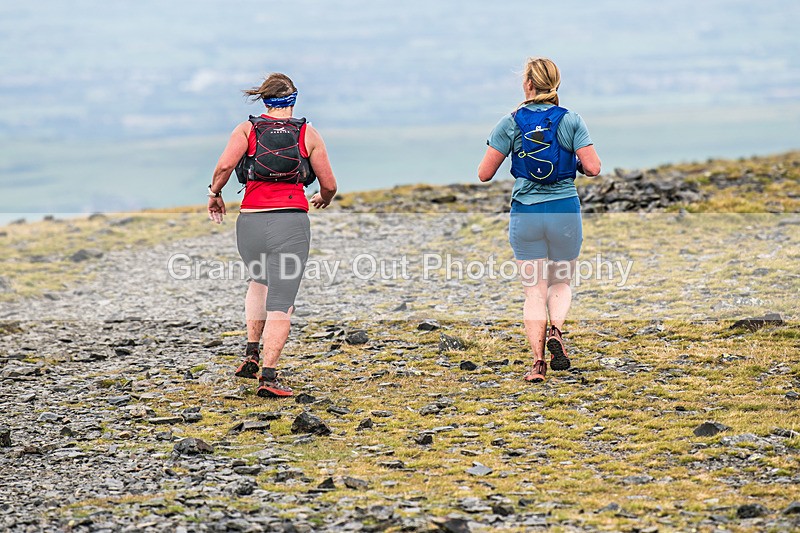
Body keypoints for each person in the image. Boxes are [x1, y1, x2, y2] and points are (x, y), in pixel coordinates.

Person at [207, 72, 337, 397]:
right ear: (293, 101)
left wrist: (215, 194)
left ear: (265, 101)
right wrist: (323, 198)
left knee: (258, 282)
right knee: (282, 301)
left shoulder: (246, 129)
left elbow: (224, 168)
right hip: (290, 223)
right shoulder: (308, 134)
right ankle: (269, 377)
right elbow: (329, 184)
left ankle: (251, 355)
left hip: (250, 222)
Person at [477, 57, 601, 383]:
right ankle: (557, 331)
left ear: (527, 85)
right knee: (560, 282)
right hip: (564, 210)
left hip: (526, 213)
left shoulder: (510, 122)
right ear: (556, 84)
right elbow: (594, 168)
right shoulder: (572, 120)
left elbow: (484, 174)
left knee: (533, 290)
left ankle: (537, 364)